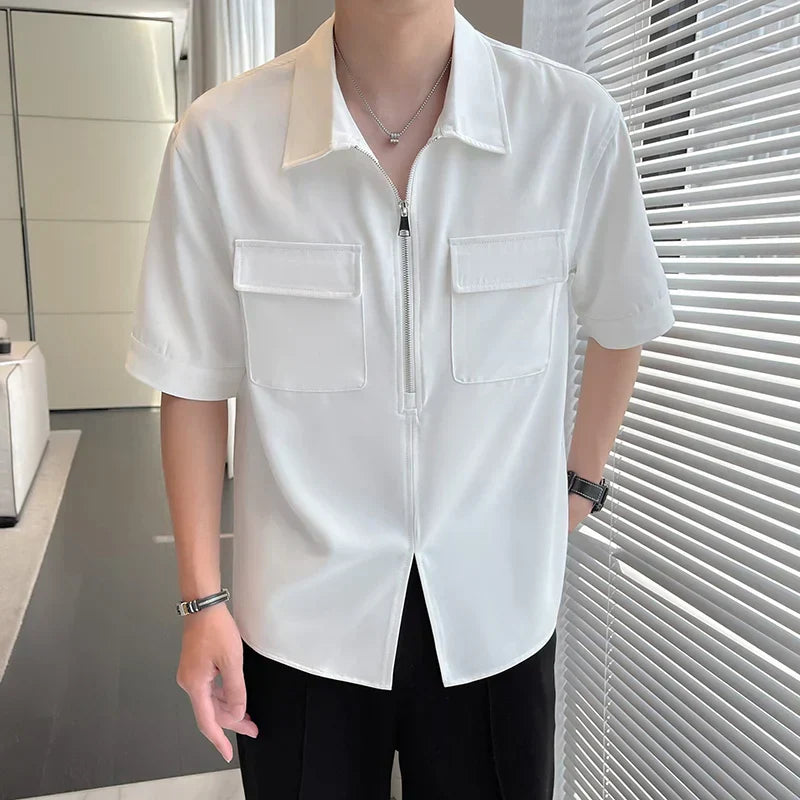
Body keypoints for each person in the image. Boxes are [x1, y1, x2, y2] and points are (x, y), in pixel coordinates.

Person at [125, 0, 675, 797]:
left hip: (497, 620)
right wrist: (201, 601)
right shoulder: (221, 139)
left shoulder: (571, 124)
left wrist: (580, 485)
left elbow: (625, 317)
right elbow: (191, 378)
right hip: (299, 623)